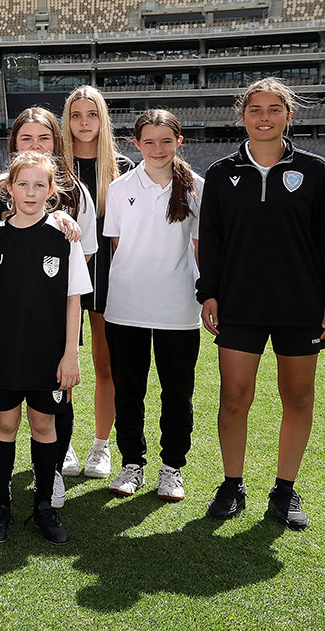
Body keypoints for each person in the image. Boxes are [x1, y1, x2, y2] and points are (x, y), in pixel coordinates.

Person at [197, 78, 325, 530]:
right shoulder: (224, 173)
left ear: (289, 114)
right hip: (238, 304)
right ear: (242, 116)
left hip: (300, 304)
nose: (263, 117)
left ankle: (285, 490)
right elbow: (212, 241)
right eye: (254, 109)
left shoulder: (316, 170)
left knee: (298, 396)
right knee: (234, 397)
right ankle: (232, 484)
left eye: (273, 109)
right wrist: (208, 291)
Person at [0, 106, 97, 509]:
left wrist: (71, 351)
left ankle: (51, 481)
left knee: (49, 413)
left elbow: (74, 290)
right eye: (25, 138)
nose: (34, 144)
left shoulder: (70, 209)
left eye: (42, 138)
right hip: (5, 338)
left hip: (50, 330)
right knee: (1, 412)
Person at [103, 110, 203, 502]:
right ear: (136, 144)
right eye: (149, 141)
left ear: (179, 142)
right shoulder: (120, 187)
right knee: (129, 391)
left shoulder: (196, 186)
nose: (157, 149)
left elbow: (200, 248)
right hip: (126, 306)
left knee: (177, 393)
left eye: (166, 141)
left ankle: (172, 468)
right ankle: (132, 463)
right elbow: (117, 246)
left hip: (178, 309)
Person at [61, 85, 135, 482]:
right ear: (67, 121)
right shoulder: (55, 168)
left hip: (110, 272)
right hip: (64, 274)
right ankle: (63, 441)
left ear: (102, 119)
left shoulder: (122, 166)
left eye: (92, 114)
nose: (84, 122)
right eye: (76, 115)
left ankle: (101, 446)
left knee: (107, 366)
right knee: (62, 364)